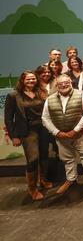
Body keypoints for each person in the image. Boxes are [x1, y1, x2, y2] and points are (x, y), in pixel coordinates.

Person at [42, 74, 83, 194]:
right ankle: (71, 179)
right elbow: (45, 118)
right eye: (61, 83)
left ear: (71, 82)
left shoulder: (81, 94)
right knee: (67, 159)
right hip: (61, 135)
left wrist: (76, 129)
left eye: (66, 82)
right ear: (57, 85)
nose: (64, 85)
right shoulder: (49, 99)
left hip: (79, 133)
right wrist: (57, 132)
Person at [4, 71, 51, 200]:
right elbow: (8, 118)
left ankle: (43, 180)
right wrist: (14, 136)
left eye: (33, 79)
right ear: (22, 80)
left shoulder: (40, 93)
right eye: (28, 79)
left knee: (44, 155)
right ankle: (32, 188)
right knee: (33, 158)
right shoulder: (13, 96)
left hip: (43, 128)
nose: (31, 81)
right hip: (27, 131)